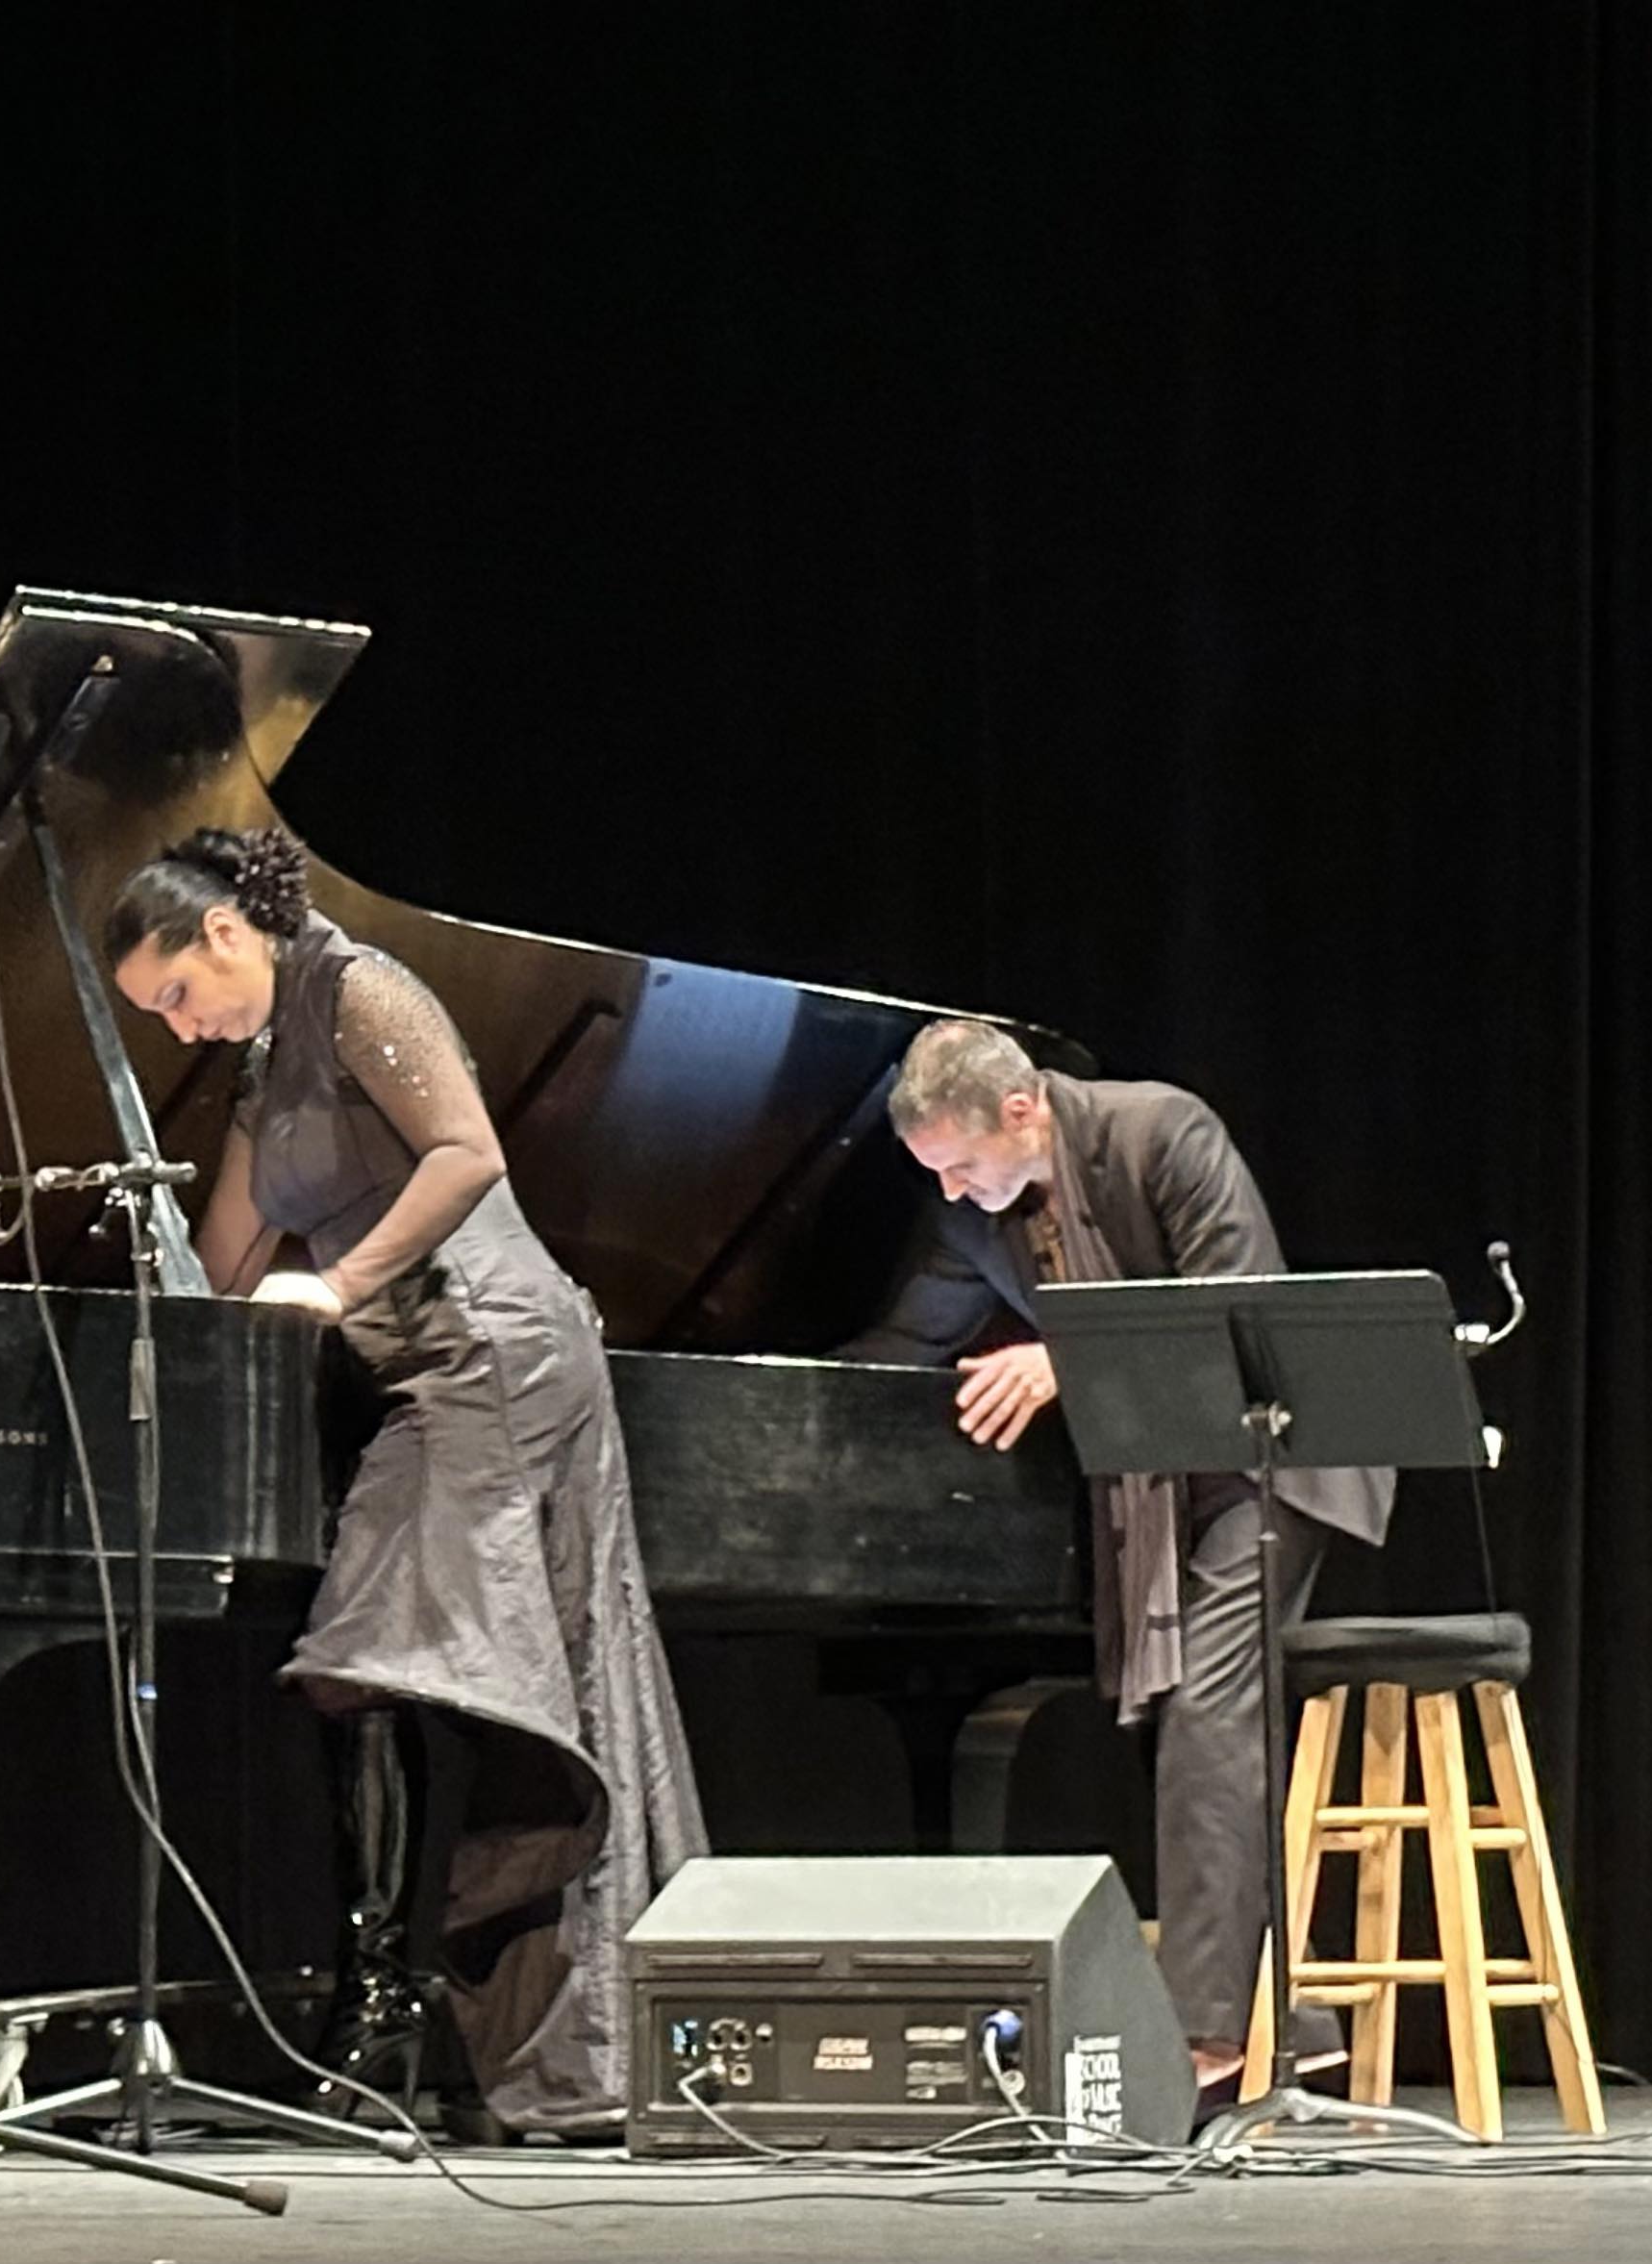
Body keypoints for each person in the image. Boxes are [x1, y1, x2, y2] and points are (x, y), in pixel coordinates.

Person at [104, 826, 704, 2137]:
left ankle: (440, 2011)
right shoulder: (269, 1062)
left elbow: (467, 1155)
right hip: (417, 1372)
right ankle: (463, 2024)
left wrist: (341, 1278)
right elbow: (224, 1249)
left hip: (495, 1350)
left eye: (176, 995)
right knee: (434, 1684)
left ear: (221, 932)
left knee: (391, 1657)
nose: (180, 1025)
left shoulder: (359, 988)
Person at [845, 1018, 1389, 2095]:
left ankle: (1211, 2042)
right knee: (1171, 1728)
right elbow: (905, 1346)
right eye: (936, 1175)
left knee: (1206, 1709)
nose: (953, 1192)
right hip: (1159, 1473)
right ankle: (1294, 2018)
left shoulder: (1162, 1132)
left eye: (961, 1164)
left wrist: (1062, 1361)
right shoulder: (979, 1217)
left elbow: (1243, 1311)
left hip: (1274, 1456)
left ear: (1021, 1111)